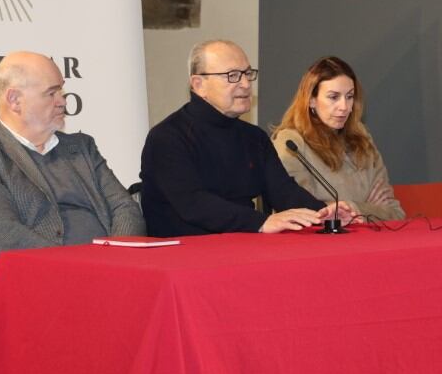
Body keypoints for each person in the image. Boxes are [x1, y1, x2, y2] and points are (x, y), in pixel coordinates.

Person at [0, 51, 144, 293]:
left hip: (110, 276)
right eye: (51, 93)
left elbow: (125, 207)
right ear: (15, 100)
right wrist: (82, 269)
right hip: (32, 286)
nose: (62, 101)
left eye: (62, 91)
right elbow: (4, 236)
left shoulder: (81, 147)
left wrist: (117, 257)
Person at [140, 40, 354, 237]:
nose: (245, 84)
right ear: (198, 85)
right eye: (232, 75)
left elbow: (282, 191)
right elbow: (193, 204)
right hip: (185, 252)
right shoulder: (167, 137)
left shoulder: (254, 137)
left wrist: (322, 214)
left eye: (247, 74)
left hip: (242, 244)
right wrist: (261, 222)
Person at [271, 56, 405, 221]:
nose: (344, 107)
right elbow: (302, 212)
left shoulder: (362, 137)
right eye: (333, 97)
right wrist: (367, 208)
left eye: (349, 97)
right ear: (311, 100)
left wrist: (353, 208)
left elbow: (394, 212)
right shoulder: (290, 143)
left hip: (368, 242)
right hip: (315, 245)